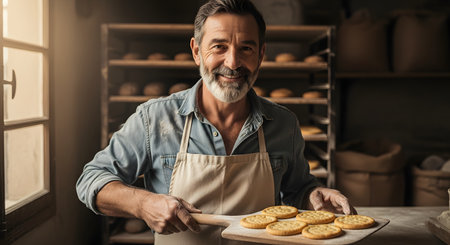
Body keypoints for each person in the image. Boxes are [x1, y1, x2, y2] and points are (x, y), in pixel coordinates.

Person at [76, 0, 356, 244]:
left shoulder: (284, 124)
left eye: (246, 48)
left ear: (261, 55)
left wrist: (314, 195)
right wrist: (143, 203)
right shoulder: (155, 119)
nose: (233, 62)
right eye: (219, 47)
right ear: (197, 51)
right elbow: (91, 181)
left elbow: (297, 190)